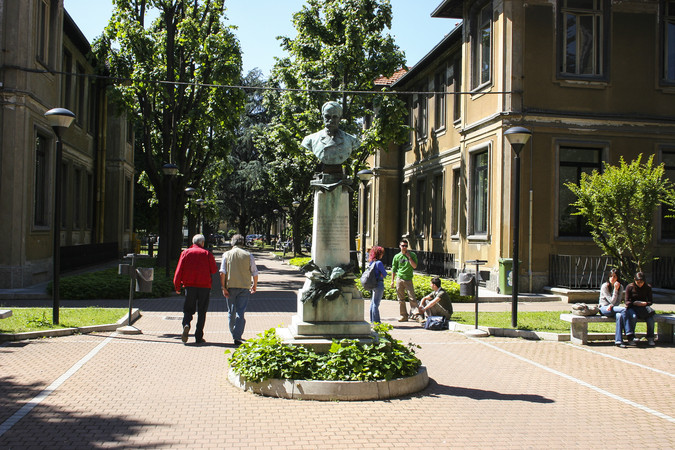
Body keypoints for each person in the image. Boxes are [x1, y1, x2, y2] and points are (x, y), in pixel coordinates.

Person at [173, 234, 218, 344]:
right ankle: (198, 336)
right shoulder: (207, 254)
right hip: (204, 287)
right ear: (202, 243)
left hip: (189, 286)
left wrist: (177, 286)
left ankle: (186, 324)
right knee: (202, 311)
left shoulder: (185, 253)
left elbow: (179, 270)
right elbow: (214, 270)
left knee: (188, 309)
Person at [220, 234, 259, 346]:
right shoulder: (248, 255)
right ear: (242, 243)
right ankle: (237, 336)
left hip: (230, 286)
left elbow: (222, 272)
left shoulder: (226, 255)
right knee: (240, 312)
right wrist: (254, 285)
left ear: (232, 242)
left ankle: (234, 333)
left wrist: (223, 287)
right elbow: (254, 272)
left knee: (231, 311)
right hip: (244, 286)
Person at [301, 101, 360, 166]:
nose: (331, 120)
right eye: (327, 117)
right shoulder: (310, 139)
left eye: (334, 117)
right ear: (322, 116)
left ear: (340, 119)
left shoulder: (351, 140)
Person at [390, 239, 419, 322]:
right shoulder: (396, 257)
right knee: (401, 299)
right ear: (400, 246)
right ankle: (403, 315)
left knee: (412, 298)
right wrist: (392, 280)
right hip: (399, 279)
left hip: (408, 279)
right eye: (403, 246)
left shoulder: (412, 255)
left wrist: (409, 257)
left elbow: (414, 266)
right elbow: (394, 269)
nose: (404, 247)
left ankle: (417, 315)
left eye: (406, 246)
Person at [624, 271, 656, 346]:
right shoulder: (630, 287)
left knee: (651, 320)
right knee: (633, 317)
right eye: (637, 282)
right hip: (632, 307)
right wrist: (634, 303)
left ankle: (650, 337)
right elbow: (626, 301)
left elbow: (650, 301)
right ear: (634, 280)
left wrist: (644, 303)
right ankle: (631, 337)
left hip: (643, 308)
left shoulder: (647, 287)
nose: (639, 283)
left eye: (641, 282)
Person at [598, 268, 627, 347]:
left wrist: (612, 305)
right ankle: (628, 332)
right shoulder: (605, 286)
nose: (612, 278)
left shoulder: (620, 286)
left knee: (620, 315)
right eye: (611, 276)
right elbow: (611, 300)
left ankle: (618, 341)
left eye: (614, 276)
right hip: (604, 308)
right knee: (624, 309)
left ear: (618, 278)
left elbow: (617, 302)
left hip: (614, 308)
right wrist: (615, 290)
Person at [366, 246, 388, 324]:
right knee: (376, 303)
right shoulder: (379, 263)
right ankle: (377, 322)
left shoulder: (371, 262)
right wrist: (382, 274)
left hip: (373, 284)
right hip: (379, 283)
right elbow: (385, 274)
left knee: (372, 303)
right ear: (379, 254)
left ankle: (372, 320)